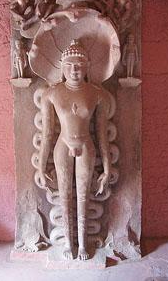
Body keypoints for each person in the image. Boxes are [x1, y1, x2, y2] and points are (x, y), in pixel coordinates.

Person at [38, 40, 111, 260]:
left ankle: (82, 245)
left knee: (83, 197)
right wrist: (41, 168)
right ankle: (69, 244)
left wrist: (107, 168)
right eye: (69, 65)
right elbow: (47, 135)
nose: (74, 69)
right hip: (62, 146)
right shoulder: (51, 94)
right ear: (62, 67)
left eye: (79, 64)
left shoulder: (97, 94)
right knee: (65, 197)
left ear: (87, 67)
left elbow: (101, 134)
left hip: (86, 145)